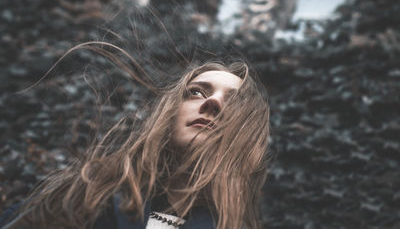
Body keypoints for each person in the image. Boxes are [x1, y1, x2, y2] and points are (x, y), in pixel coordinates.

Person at [1, 61, 270, 229]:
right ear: (169, 114)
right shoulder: (85, 192)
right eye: (196, 92)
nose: (213, 103)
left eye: (234, 103)